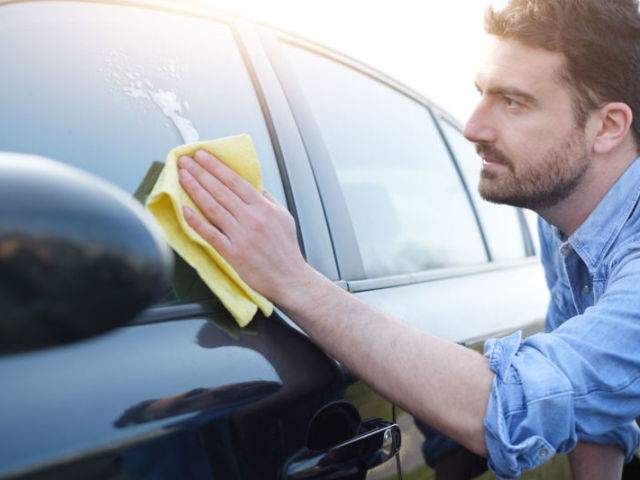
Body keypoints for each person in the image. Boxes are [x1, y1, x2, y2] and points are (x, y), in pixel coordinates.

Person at [175, 0, 640, 477]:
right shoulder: (566, 218)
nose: (473, 127)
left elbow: (520, 404)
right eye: (482, 94)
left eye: (513, 102)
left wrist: (290, 278)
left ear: (607, 126)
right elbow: (596, 400)